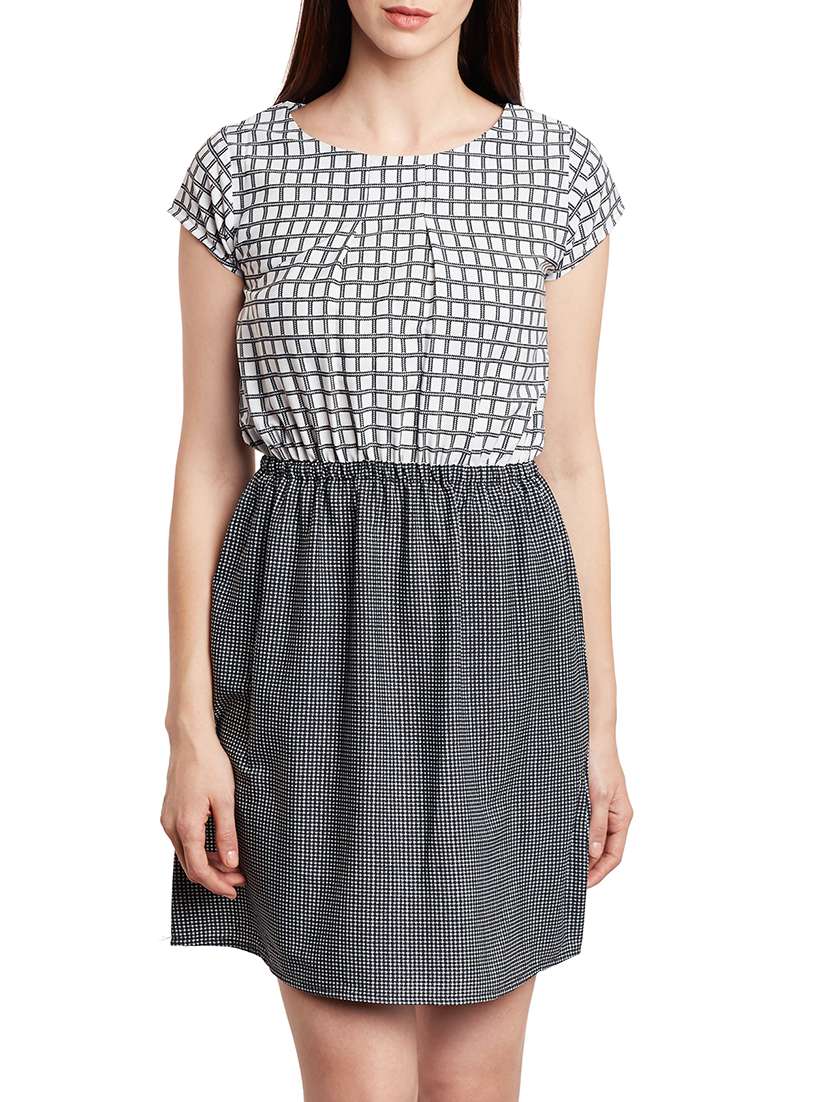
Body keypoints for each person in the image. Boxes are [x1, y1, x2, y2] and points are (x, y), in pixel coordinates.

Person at [160, 1, 634, 1097]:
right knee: (357, 1082)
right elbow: (208, 459)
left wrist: (601, 729)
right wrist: (188, 726)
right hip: (307, 649)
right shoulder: (240, 171)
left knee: (474, 1081)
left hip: (501, 652)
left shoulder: (556, 173)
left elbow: (569, 460)